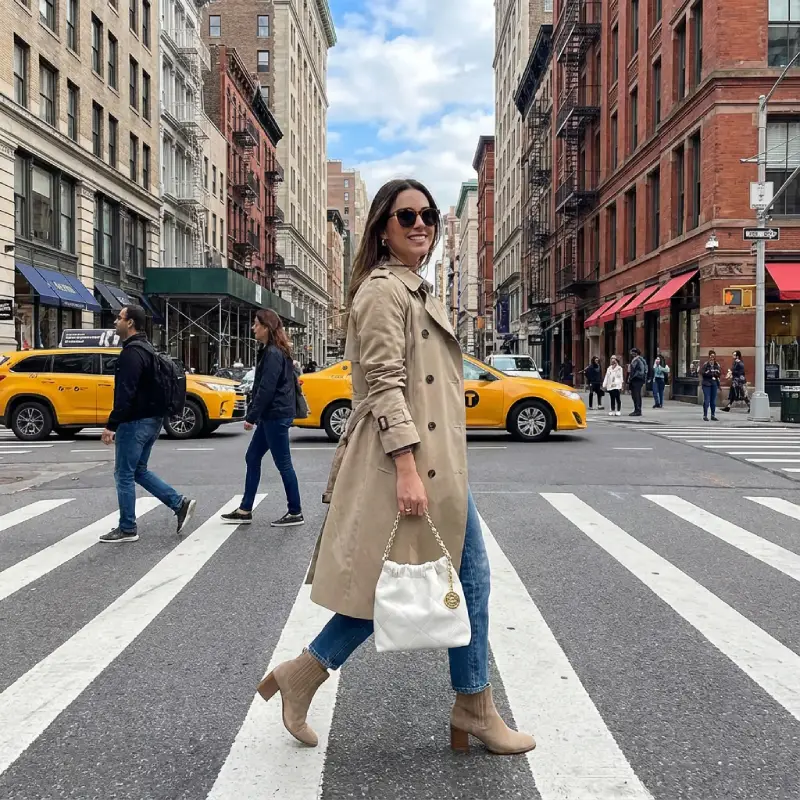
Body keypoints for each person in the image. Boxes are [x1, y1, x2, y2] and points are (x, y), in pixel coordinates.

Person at [254, 178, 535, 755]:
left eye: (428, 215)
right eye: (406, 216)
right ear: (382, 226)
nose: (420, 225)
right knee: (407, 586)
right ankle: (469, 705)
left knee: (456, 582)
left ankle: (463, 702)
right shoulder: (382, 291)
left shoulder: (416, 290)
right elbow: (383, 386)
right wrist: (407, 467)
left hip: (438, 467)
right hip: (407, 466)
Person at [99, 305, 196, 543]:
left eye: (119, 318)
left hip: (134, 422)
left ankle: (127, 528)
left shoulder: (132, 353)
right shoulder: (147, 348)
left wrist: (112, 424)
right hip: (152, 420)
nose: (115, 322)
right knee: (138, 471)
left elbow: (125, 393)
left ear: (130, 323)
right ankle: (178, 503)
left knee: (123, 474)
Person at [221, 309, 303, 528]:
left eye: (256, 324)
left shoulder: (273, 353)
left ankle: (295, 511)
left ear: (266, 327)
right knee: (252, 457)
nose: (253, 328)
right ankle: (245, 509)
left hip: (275, 415)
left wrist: (252, 417)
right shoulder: (270, 350)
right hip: (272, 415)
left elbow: (266, 389)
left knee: (283, 464)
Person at [701, 349, 722, 421]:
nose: (712, 358)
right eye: (711, 356)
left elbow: (719, 373)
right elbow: (703, 373)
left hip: (714, 384)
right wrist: (711, 374)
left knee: (713, 401)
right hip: (706, 384)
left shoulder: (717, 364)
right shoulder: (706, 364)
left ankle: (713, 415)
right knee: (707, 400)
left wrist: (713, 373)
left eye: (713, 356)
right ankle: (705, 415)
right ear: (709, 356)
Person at [627, 348, 647, 416]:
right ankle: (636, 409)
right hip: (634, 380)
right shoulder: (634, 360)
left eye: (632, 352)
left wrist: (634, 376)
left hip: (637, 380)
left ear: (636, 353)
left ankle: (638, 410)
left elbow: (641, 371)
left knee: (636, 395)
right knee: (634, 395)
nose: (631, 354)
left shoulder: (639, 360)